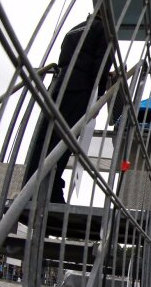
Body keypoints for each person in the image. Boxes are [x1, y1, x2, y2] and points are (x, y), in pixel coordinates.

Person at [25, 12, 113, 203]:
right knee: (65, 140)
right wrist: (98, 97)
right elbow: (102, 64)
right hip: (78, 88)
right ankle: (53, 192)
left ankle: (29, 187)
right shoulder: (103, 30)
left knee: (44, 138)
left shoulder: (74, 29)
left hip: (57, 87)